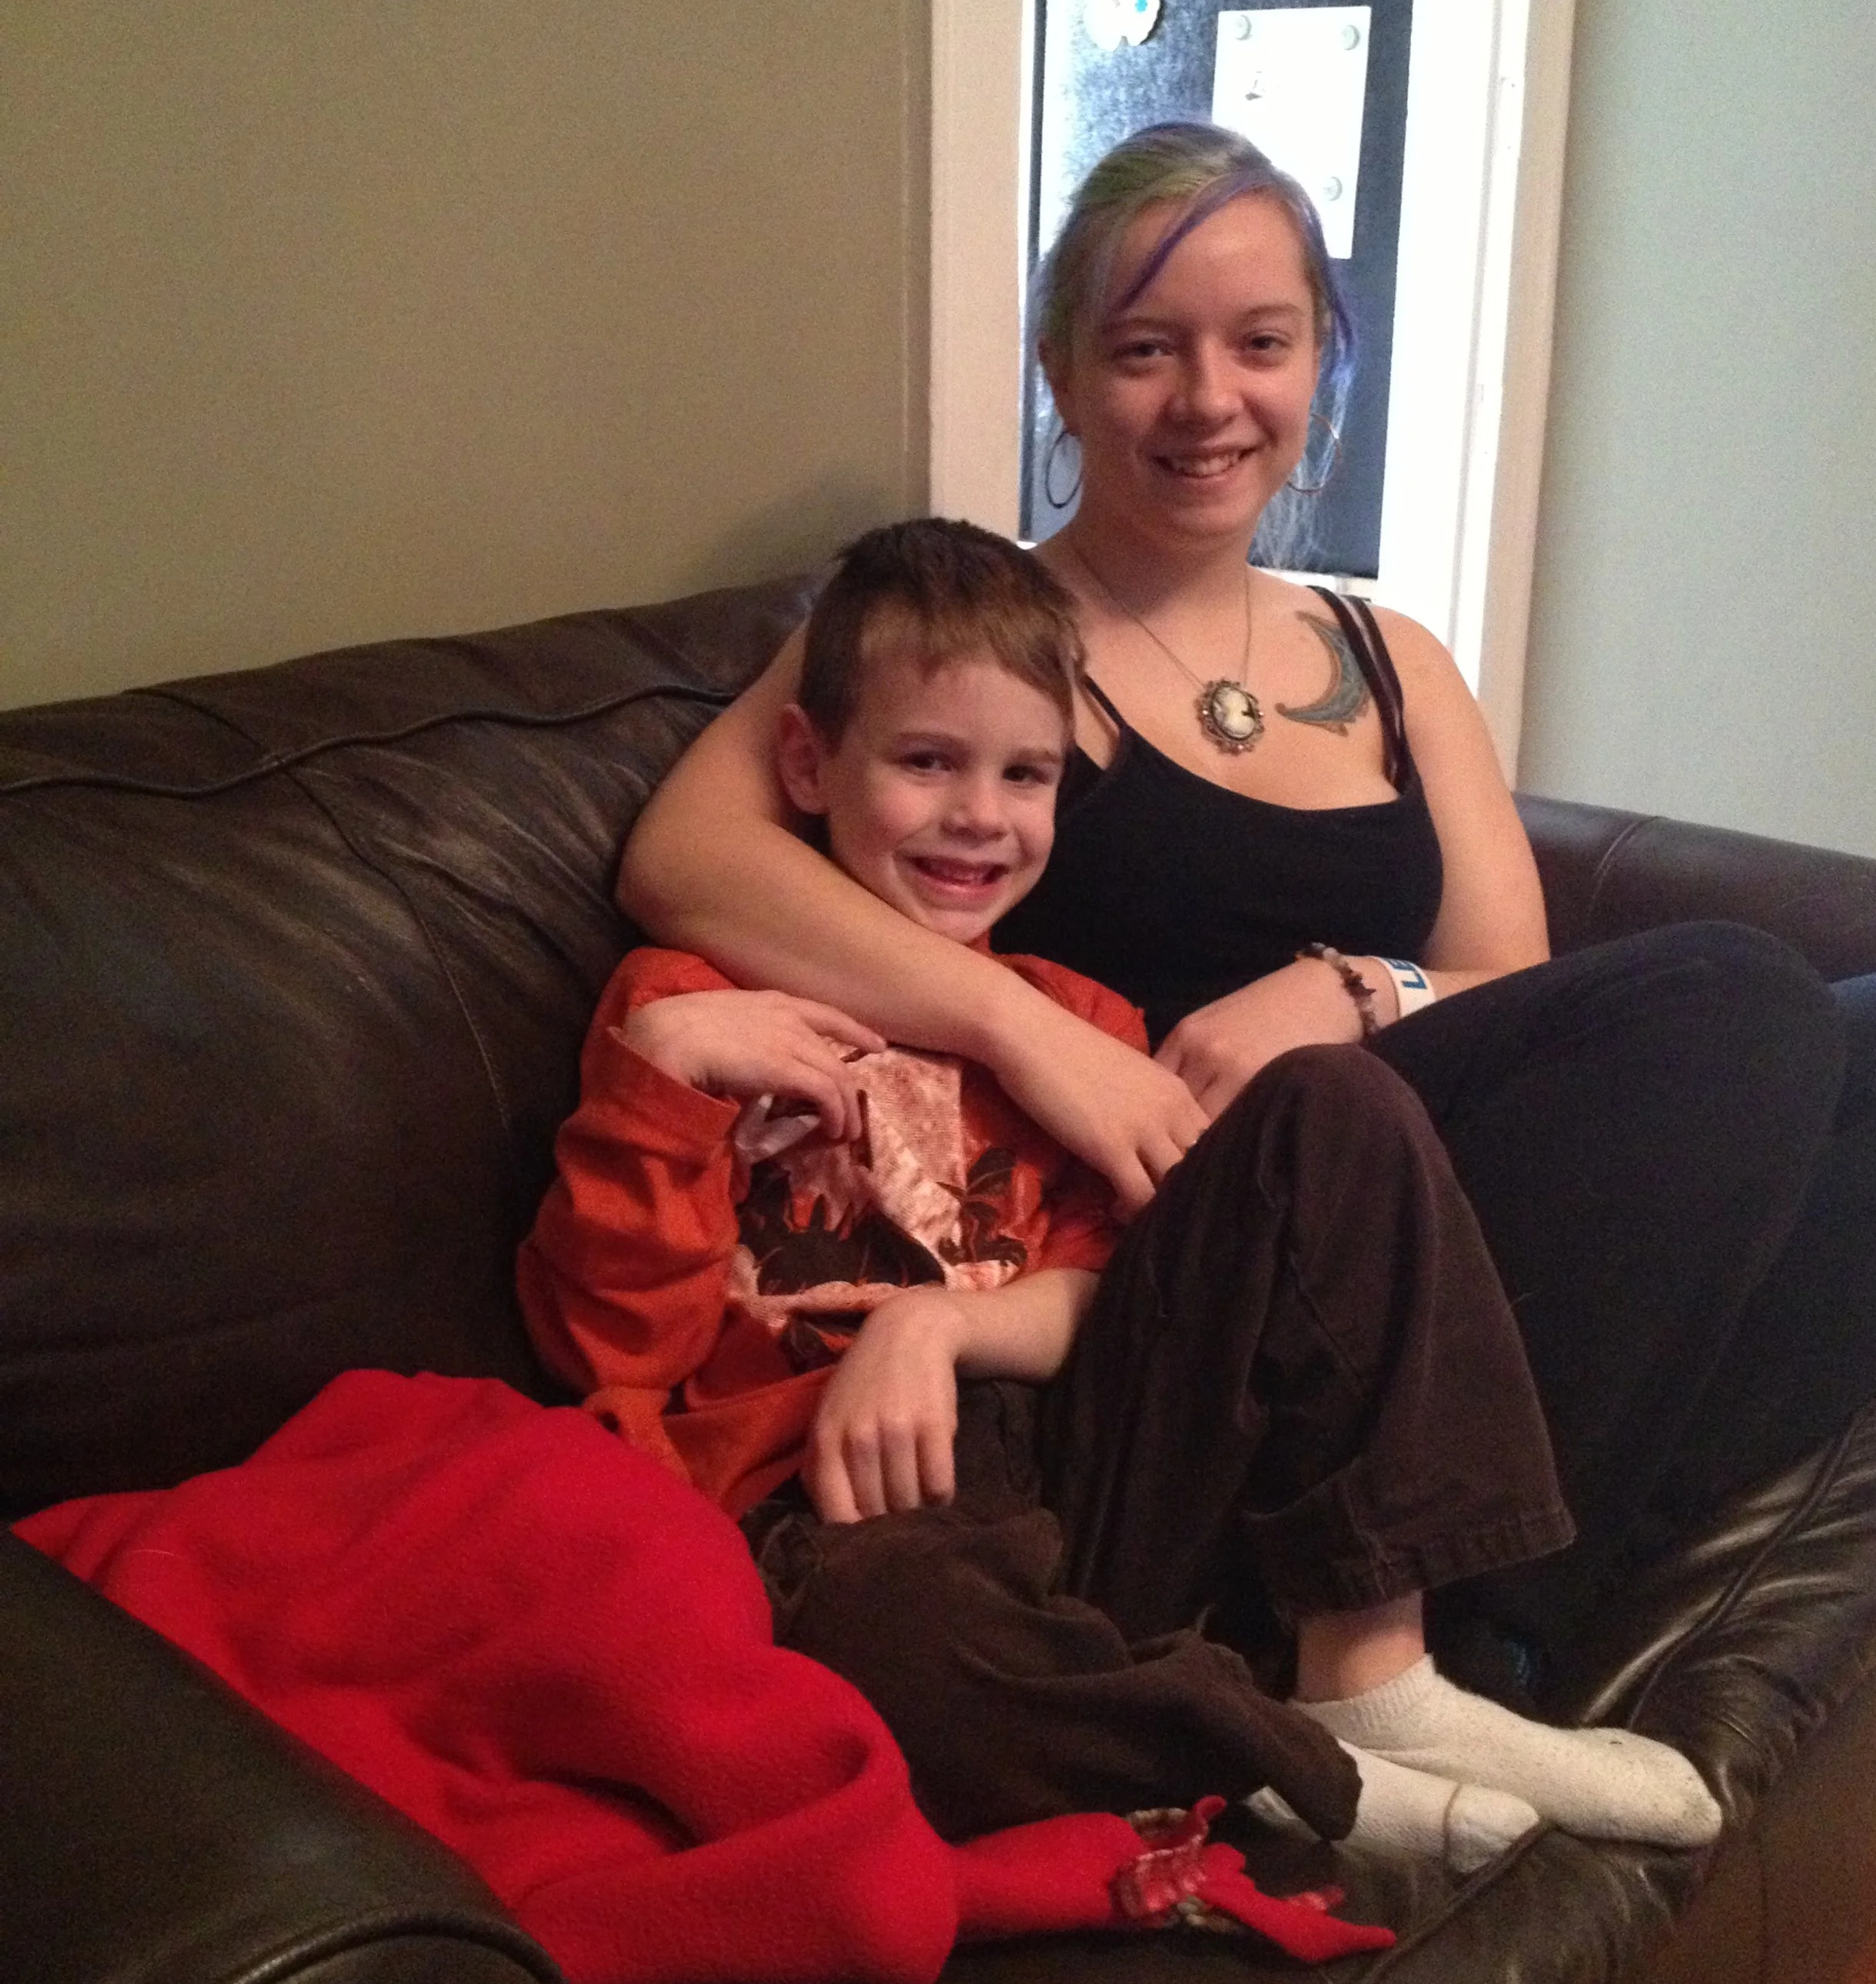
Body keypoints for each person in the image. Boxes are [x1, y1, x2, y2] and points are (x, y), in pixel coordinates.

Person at [533, 516, 1724, 1863]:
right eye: (927, 762)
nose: (980, 815)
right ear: (808, 762)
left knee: (1335, 1100)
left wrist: (944, 1324)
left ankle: (1381, 1686)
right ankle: (1265, 1763)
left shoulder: (1077, 1027)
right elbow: (607, 1344)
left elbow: (1108, 1288)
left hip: (1086, 1463)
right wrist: (666, 1077)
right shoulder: (691, 1013)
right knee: (896, 1651)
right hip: (843, 1516)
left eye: (1025, 775)